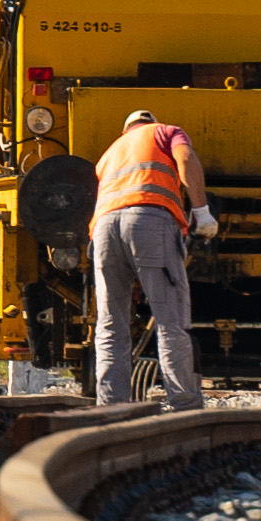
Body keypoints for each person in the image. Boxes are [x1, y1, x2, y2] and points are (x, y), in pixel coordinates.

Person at [89, 107, 206, 406]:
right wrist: (202, 211)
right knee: (170, 319)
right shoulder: (165, 132)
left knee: (110, 325)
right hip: (149, 220)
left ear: (127, 129)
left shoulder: (110, 152)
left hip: (103, 230)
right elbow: (186, 159)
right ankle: (184, 403)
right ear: (150, 124)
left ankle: (111, 407)